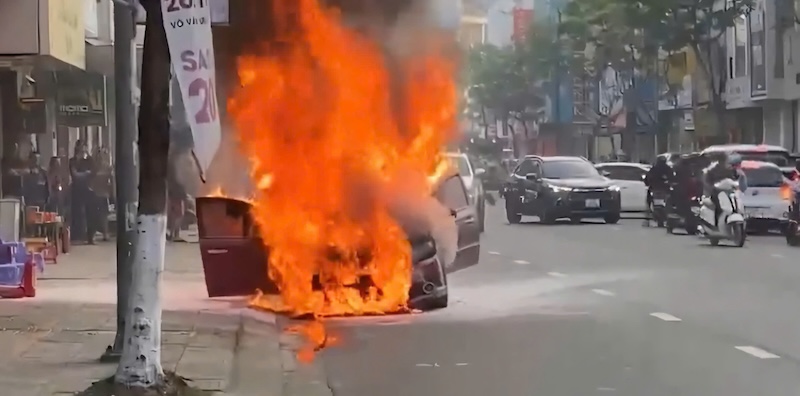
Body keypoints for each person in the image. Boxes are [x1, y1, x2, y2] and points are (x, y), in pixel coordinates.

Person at [702, 152, 745, 227]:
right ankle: (716, 224)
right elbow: (707, 181)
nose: (725, 161)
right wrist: (711, 187)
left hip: (729, 191)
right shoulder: (713, 170)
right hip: (717, 192)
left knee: (736, 203)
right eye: (723, 159)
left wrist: (739, 177)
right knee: (718, 206)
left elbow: (735, 178)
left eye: (725, 159)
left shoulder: (730, 169)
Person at [69, 141, 96, 244]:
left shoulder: (89, 160)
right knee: (76, 212)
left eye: (84, 148)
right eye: (80, 148)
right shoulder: (72, 161)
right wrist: (85, 174)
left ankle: (90, 236)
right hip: (76, 189)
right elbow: (74, 174)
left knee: (91, 212)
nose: (82, 150)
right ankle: (77, 236)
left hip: (88, 188)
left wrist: (82, 175)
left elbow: (93, 172)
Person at [642, 155, 673, 226]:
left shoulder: (654, 169)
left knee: (648, 203)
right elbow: (672, 179)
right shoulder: (668, 169)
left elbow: (647, 180)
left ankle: (647, 218)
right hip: (662, 190)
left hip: (656, 189)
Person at [91, 147, 113, 241]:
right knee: (95, 214)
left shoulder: (107, 167)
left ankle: (105, 233)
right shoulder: (94, 167)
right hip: (96, 194)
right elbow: (91, 180)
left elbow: (111, 180)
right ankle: (95, 233)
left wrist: (112, 192)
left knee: (103, 215)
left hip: (103, 194)